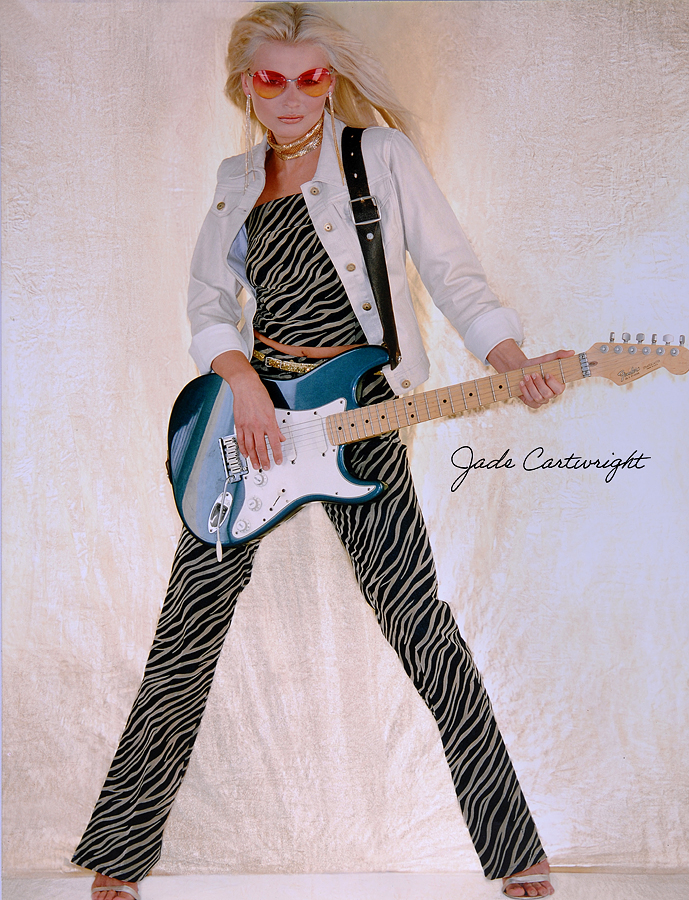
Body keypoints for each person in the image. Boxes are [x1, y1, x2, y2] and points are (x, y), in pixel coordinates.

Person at [73, 3, 572, 898]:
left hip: (360, 412)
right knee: (187, 623)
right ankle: (118, 852)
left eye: (311, 77)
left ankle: (512, 848)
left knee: (418, 623)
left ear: (331, 80)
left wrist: (509, 359)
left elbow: (450, 270)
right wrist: (241, 381)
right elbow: (207, 304)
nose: (293, 96)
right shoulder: (235, 177)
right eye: (271, 78)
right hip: (250, 421)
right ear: (245, 83)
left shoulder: (379, 156)